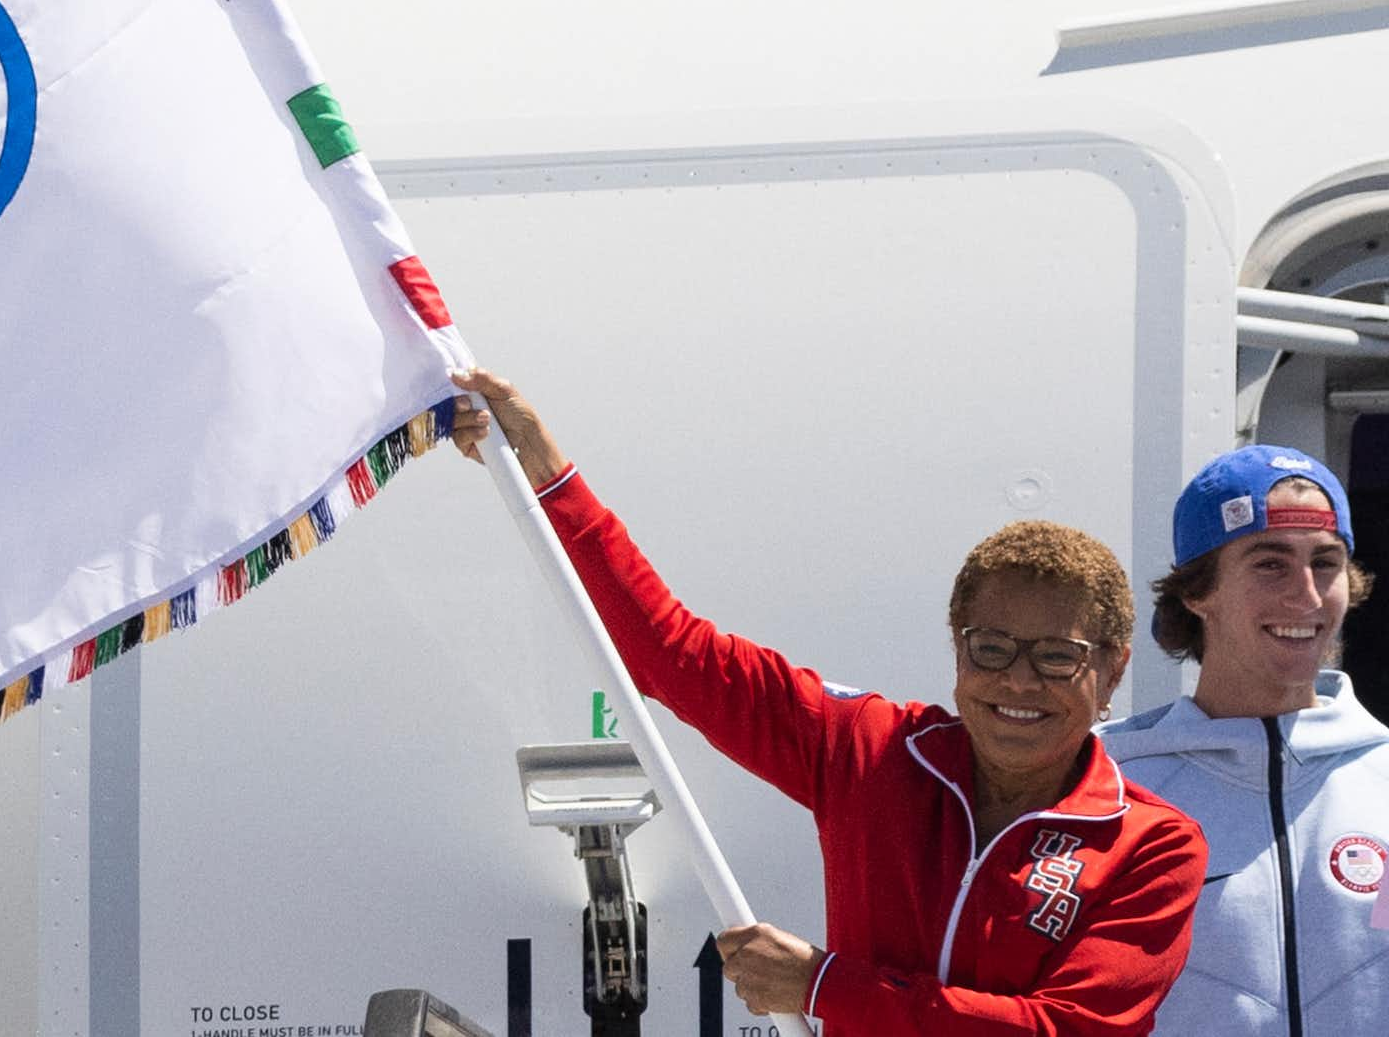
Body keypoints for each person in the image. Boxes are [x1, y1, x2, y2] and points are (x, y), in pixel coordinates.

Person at [450, 369, 1205, 1034]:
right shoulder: (868, 748)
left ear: (1111, 672)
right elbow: (668, 652)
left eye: (1056, 658)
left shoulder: (1154, 846)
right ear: (956, 648)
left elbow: (1064, 1034)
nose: (1018, 681)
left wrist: (825, 987)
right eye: (992, 649)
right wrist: (546, 477)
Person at [1100, 446, 1389, 1035]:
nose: (1307, 596)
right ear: (1196, 592)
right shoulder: (1109, 788)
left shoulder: (1381, 776)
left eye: (1326, 563)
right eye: (1270, 564)